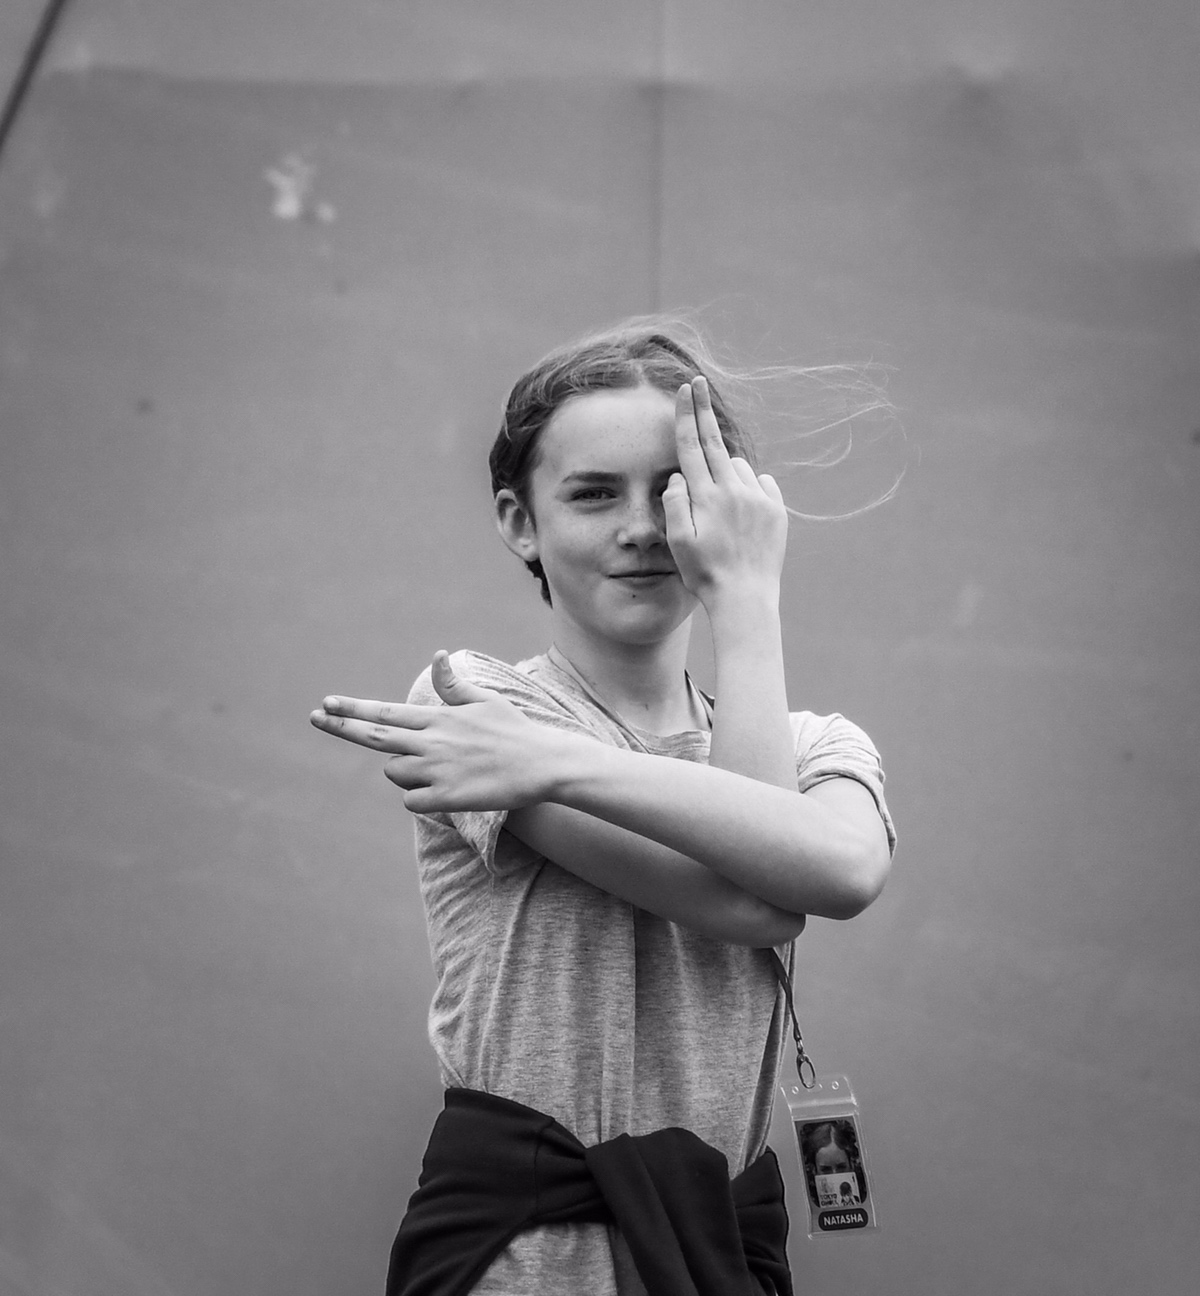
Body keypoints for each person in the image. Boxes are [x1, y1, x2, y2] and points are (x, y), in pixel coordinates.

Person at [309, 321, 897, 1295]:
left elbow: (828, 873)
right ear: (519, 521)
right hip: (530, 1254)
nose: (641, 528)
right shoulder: (477, 702)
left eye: (674, 490)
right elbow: (747, 901)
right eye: (592, 493)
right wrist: (540, 749)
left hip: (723, 1250)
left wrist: (746, 602)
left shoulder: (814, 745)